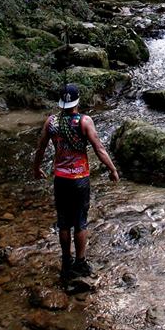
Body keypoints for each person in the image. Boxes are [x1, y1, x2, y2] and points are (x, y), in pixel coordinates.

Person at [33, 83, 119, 279]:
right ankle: (80, 263)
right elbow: (99, 149)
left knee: (63, 222)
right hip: (79, 179)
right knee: (80, 222)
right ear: (77, 100)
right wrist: (112, 169)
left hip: (61, 179)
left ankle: (66, 262)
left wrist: (36, 168)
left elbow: (40, 148)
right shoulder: (84, 121)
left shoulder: (51, 122)